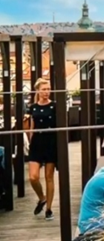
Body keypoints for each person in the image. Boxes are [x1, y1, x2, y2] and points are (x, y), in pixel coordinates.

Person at [27, 78, 57, 220]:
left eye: (48, 89)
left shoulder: (55, 106)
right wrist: (30, 140)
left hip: (51, 142)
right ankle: (42, 197)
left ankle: (49, 209)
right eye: (44, 89)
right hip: (37, 142)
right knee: (33, 177)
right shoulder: (32, 107)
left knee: (49, 177)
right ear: (38, 90)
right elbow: (31, 127)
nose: (46, 92)